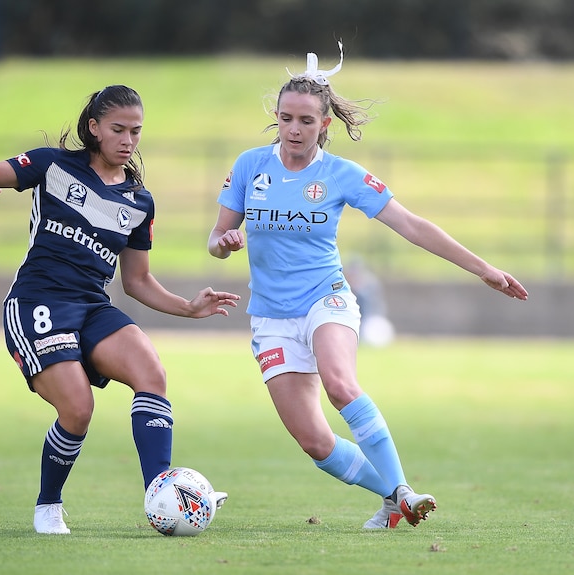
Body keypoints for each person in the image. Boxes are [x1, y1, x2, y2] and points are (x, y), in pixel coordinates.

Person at [207, 44, 528, 529]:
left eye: (306, 121)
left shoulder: (342, 174)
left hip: (326, 297)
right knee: (315, 442)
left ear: (325, 125)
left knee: (340, 384)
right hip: (271, 314)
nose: (294, 129)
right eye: (286, 118)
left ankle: (402, 489)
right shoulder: (251, 166)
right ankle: (391, 496)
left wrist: (482, 268)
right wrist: (225, 242)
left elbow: (412, 225)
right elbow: (215, 239)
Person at [0, 85, 239, 535]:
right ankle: (48, 505)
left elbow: (137, 281)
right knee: (78, 408)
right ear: (94, 128)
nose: (128, 140)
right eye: (118, 129)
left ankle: (161, 496)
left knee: (152, 373)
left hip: (92, 305)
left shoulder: (138, 201)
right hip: (37, 302)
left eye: (136, 131)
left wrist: (188, 308)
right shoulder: (53, 166)